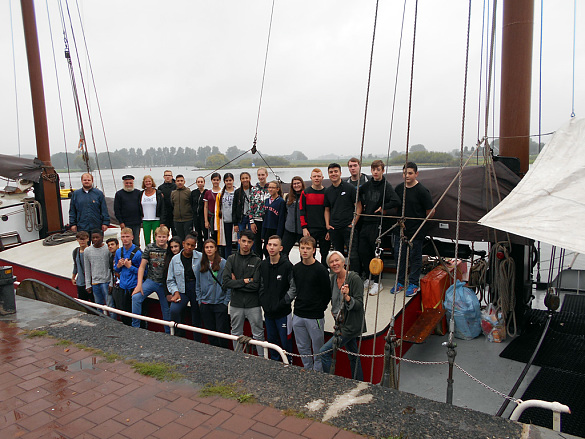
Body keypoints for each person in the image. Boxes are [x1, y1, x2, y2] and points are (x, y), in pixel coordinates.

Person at [319, 251, 365, 380]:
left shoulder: (354, 279)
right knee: (353, 355)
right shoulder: (333, 279)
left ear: (343, 262)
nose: (334, 264)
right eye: (331, 262)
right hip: (340, 324)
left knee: (324, 352)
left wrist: (348, 297)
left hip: (350, 326)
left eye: (337, 260)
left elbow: (359, 305)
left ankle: (330, 382)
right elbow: (332, 299)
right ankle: (359, 381)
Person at [358, 160, 401, 295]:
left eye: (378, 170)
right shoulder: (366, 186)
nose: (375, 172)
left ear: (382, 170)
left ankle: (377, 282)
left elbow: (396, 201)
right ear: (371, 171)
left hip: (377, 223)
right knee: (363, 251)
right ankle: (370, 278)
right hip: (365, 222)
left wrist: (384, 207)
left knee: (376, 252)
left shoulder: (386, 186)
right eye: (373, 170)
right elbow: (357, 195)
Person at [392, 162, 434, 297]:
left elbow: (430, 211)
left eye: (410, 173)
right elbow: (395, 205)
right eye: (405, 173)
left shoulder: (422, 191)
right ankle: (400, 282)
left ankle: (414, 283)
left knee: (415, 257)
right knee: (400, 256)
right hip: (401, 230)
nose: (407, 176)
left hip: (416, 231)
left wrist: (421, 224)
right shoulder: (399, 189)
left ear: (416, 174)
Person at [290, 236, 331, 371]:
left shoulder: (321, 270)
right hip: (298, 314)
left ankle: (317, 374)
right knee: (302, 347)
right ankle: (307, 370)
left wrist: (319, 308)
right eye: (302, 248)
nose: (305, 251)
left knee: (318, 349)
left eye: (308, 248)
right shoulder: (296, 268)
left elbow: (327, 293)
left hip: (315, 316)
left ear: (314, 250)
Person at [222, 229, 264, 357]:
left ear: (252, 243)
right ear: (239, 241)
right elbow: (226, 282)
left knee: (258, 334)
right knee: (236, 333)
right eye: (244, 241)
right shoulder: (231, 259)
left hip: (253, 304)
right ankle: (237, 359)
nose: (246, 244)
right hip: (236, 303)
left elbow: (256, 285)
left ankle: (262, 360)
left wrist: (237, 283)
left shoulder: (257, 261)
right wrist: (246, 281)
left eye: (249, 242)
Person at [259, 235, 294, 361]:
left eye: (275, 245)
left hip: (283, 314)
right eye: (270, 245)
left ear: (281, 248)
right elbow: (260, 286)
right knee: (271, 342)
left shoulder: (287, 266)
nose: (272, 247)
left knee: (285, 343)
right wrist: (264, 303)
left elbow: (293, 289)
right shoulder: (263, 265)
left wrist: (282, 303)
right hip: (268, 314)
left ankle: (288, 364)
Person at [132, 226, 171, 332]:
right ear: (155, 237)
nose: (161, 239)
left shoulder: (170, 249)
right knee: (136, 297)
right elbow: (142, 267)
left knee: (166, 308)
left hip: (164, 284)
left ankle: (168, 332)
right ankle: (135, 327)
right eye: (159, 237)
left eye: (164, 237)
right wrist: (139, 285)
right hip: (151, 281)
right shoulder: (149, 247)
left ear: (167, 237)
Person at [324, 163, 362, 269]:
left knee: (353, 255)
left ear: (340, 173)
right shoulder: (328, 191)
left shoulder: (350, 188)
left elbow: (358, 207)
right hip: (334, 228)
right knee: (337, 256)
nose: (333, 174)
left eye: (336, 171)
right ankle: (339, 275)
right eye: (331, 172)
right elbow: (327, 209)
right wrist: (327, 225)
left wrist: (353, 223)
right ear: (328, 174)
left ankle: (355, 275)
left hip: (348, 227)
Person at [166, 235, 203, 341]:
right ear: (183, 244)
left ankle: (197, 340)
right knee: (174, 310)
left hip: (196, 288)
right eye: (187, 244)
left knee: (196, 314)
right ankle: (178, 336)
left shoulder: (200, 257)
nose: (189, 247)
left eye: (192, 245)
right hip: (181, 289)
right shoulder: (175, 259)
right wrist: (175, 291)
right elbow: (170, 280)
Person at [195, 239, 230, 348]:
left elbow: (228, 283)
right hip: (205, 303)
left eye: (211, 247)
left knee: (221, 330)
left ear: (215, 249)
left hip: (220, 302)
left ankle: (224, 350)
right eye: (207, 247)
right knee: (210, 331)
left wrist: (225, 301)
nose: (209, 249)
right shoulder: (200, 264)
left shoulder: (223, 263)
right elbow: (198, 284)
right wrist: (199, 300)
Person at [299, 168, 330, 266]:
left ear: (322, 178)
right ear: (311, 178)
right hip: (310, 228)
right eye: (314, 176)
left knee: (324, 252)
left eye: (319, 176)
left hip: (324, 228)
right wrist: (304, 228)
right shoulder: (305, 193)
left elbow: (330, 211)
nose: (317, 178)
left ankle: (324, 270)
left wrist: (329, 230)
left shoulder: (327, 192)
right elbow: (302, 211)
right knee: (309, 252)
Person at [114, 228, 143, 325]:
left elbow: (144, 272)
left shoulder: (138, 253)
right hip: (123, 286)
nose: (125, 239)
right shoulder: (118, 252)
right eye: (123, 237)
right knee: (124, 312)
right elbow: (116, 269)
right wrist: (118, 266)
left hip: (134, 286)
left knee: (136, 313)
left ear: (132, 237)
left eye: (127, 236)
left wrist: (130, 267)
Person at [84, 230, 112, 315]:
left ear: (102, 237)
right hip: (95, 283)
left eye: (97, 237)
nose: (95, 239)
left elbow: (112, 267)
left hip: (106, 282)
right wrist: (88, 284)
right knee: (98, 306)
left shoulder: (108, 249)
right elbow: (87, 268)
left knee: (110, 306)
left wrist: (111, 283)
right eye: (93, 238)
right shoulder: (87, 251)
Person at [114, 175, 142, 246]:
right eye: (127, 183)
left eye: (130, 183)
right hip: (125, 223)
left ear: (133, 183)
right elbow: (117, 209)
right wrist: (121, 222)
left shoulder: (138, 193)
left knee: (136, 241)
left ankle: (136, 253)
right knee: (126, 241)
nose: (128, 184)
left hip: (136, 222)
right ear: (124, 183)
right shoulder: (119, 194)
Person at [249, 167, 269, 259]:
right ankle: (258, 263)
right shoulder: (253, 189)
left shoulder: (270, 188)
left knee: (267, 244)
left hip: (268, 220)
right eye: (259, 175)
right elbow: (251, 206)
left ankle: (268, 262)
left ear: (266, 175)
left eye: (263, 175)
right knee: (257, 245)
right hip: (257, 220)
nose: (261, 177)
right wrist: (252, 222)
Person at [261, 181, 286, 258]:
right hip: (267, 228)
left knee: (275, 250)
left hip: (275, 229)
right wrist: (263, 233)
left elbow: (281, 219)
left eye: (273, 188)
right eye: (269, 187)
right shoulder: (267, 201)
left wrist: (279, 234)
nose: (271, 189)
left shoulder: (281, 202)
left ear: (277, 189)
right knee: (265, 250)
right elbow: (265, 218)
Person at [282, 176, 305, 256]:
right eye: (294, 184)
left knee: (304, 254)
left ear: (302, 184)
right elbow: (285, 212)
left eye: (298, 183)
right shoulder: (288, 197)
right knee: (283, 252)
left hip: (302, 230)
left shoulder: (306, 195)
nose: (296, 185)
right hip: (289, 229)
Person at [140, 175, 165, 246]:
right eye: (146, 181)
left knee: (156, 239)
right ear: (144, 183)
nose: (148, 183)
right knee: (147, 239)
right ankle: (148, 251)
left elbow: (162, 208)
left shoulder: (158, 193)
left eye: (149, 181)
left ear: (152, 182)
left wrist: (162, 221)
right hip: (145, 220)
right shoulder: (141, 194)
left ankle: (156, 251)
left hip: (156, 219)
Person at [216, 173, 236, 258]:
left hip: (235, 221)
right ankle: (227, 259)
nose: (228, 182)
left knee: (236, 241)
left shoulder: (237, 192)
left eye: (230, 180)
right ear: (224, 181)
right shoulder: (221, 193)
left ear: (233, 181)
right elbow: (218, 208)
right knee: (227, 242)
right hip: (225, 221)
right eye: (227, 180)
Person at [170, 175, 193, 241]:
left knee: (188, 239)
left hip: (188, 219)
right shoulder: (173, 193)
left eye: (181, 181)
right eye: (178, 181)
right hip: (177, 220)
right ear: (175, 182)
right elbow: (172, 204)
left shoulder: (188, 192)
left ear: (184, 182)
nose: (180, 182)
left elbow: (191, 204)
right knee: (179, 239)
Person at [71, 231, 92, 302]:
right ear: (77, 240)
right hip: (80, 282)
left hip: (91, 282)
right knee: (82, 302)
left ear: (88, 239)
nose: (82, 241)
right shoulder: (75, 252)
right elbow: (76, 265)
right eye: (80, 239)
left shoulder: (91, 251)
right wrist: (73, 277)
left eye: (84, 239)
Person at [190, 176, 208, 251]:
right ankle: (199, 247)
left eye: (201, 182)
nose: (200, 183)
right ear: (196, 183)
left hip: (204, 216)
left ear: (204, 183)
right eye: (198, 182)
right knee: (198, 232)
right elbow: (191, 203)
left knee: (205, 232)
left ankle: (206, 246)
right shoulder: (193, 193)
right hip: (195, 216)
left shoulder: (207, 192)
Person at [203, 172, 222, 243]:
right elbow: (206, 207)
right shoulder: (208, 192)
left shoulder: (222, 192)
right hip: (211, 217)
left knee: (221, 235)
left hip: (220, 218)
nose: (216, 181)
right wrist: (206, 221)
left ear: (220, 180)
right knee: (213, 236)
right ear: (211, 180)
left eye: (217, 180)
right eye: (214, 180)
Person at [233, 172, 252, 238]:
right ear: (240, 180)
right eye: (243, 178)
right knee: (241, 237)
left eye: (246, 178)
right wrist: (235, 224)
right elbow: (234, 208)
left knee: (251, 237)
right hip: (241, 218)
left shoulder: (254, 190)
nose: (245, 180)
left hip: (251, 218)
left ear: (250, 178)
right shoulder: (237, 192)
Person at [158, 170, 177, 236]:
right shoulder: (160, 188)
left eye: (169, 175)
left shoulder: (176, 187)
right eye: (166, 175)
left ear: (172, 176)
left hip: (174, 214)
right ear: (164, 177)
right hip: (165, 215)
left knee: (175, 234)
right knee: (164, 234)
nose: (167, 177)